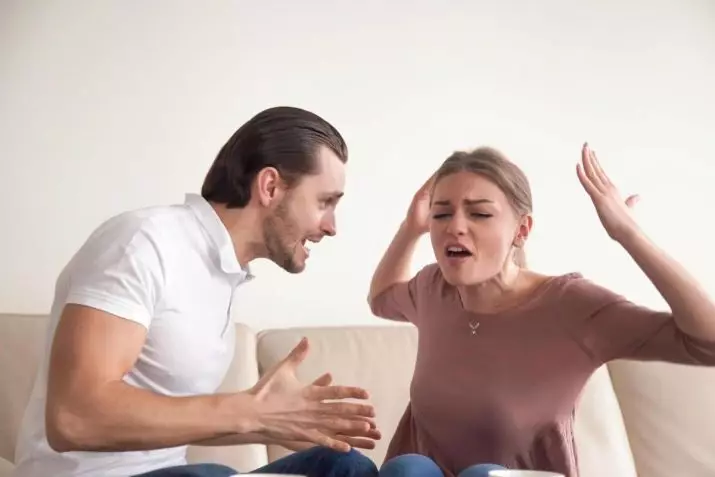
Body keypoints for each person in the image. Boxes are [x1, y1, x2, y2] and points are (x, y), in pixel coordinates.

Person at [12, 106, 381, 477]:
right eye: (325, 202)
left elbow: (169, 415)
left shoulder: (223, 274)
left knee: (344, 466)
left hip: (170, 473)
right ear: (270, 187)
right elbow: (74, 416)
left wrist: (279, 420)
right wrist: (252, 412)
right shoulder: (144, 242)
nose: (332, 227)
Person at [368, 143, 715, 477]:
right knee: (407, 468)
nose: (454, 226)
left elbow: (707, 342)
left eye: (480, 213)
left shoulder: (571, 307)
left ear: (521, 230)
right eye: (441, 213)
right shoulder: (433, 289)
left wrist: (628, 233)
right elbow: (382, 298)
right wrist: (410, 228)